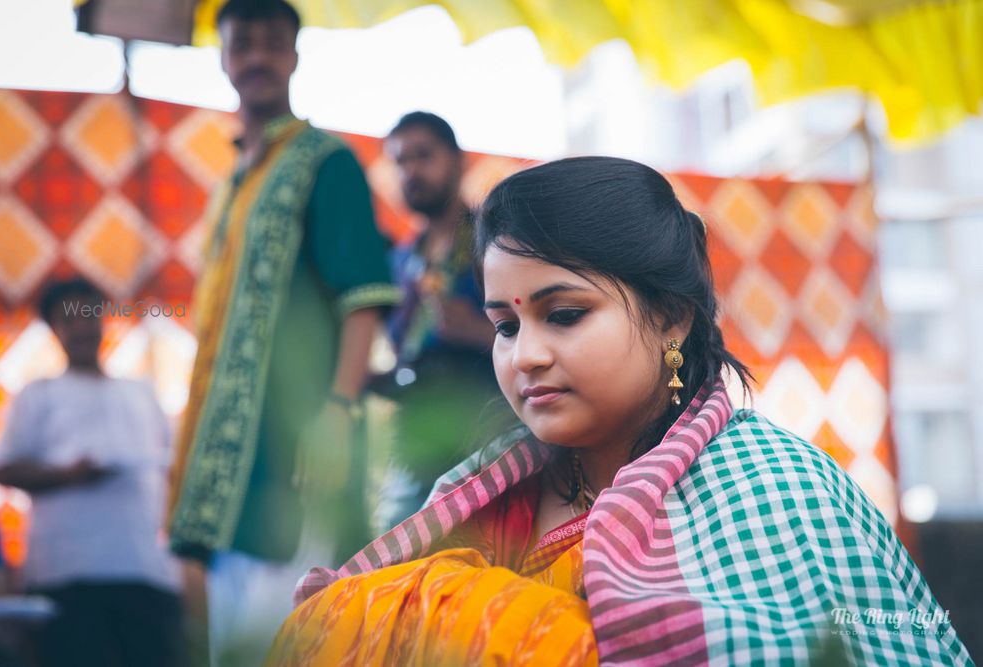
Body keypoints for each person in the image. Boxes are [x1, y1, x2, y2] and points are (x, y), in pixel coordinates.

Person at [267, 157, 973, 666]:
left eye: (564, 314)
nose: (525, 355)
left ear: (671, 318)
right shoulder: (475, 492)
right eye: (505, 326)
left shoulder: (783, 493)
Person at [166, 1, 398, 665]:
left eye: (273, 43)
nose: (258, 58)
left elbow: (362, 297)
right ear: (223, 57)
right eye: (243, 44)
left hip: (294, 453)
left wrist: (337, 410)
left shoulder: (325, 161)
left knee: (290, 639)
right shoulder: (235, 181)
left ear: (295, 56)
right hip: (224, 467)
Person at [0, 278, 185, 667]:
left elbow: (172, 466)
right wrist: (69, 475)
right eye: (68, 320)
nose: (81, 327)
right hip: (66, 572)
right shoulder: (37, 395)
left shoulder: (141, 392)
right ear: (53, 330)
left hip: (145, 569)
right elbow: (4, 468)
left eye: (87, 315)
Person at [372, 112, 500, 529]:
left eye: (423, 156)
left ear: (459, 160)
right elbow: (410, 354)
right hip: (413, 444)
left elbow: (541, 337)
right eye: (400, 161)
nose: (411, 171)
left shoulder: (493, 240)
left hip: (485, 443)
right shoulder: (399, 260)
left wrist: (477, 331)